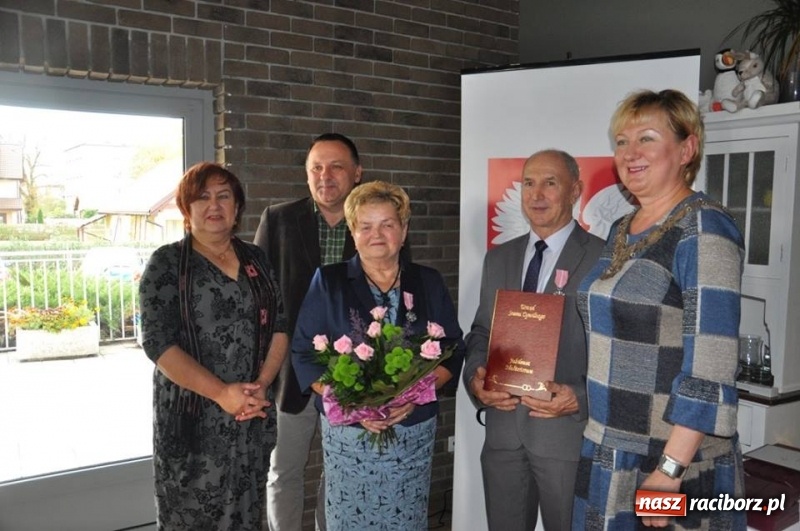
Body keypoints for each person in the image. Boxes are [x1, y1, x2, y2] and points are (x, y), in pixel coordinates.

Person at [572, 89, 746, 530]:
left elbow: (711, 367)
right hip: (608, 447)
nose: (630, 153)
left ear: (687, 149)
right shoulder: (620, 228)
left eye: (646, 138)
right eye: (621, 141)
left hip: (667, 461)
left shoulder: (704, 228)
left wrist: (670, 472)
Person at [291, 180, 465, 530]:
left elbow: (452, 348)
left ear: (403, 230)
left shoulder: (428, 281)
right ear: (353, 232)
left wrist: (417, 396)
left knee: (406, 518)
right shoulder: (328, 281)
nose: (377, 234)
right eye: (366, 226)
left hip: (411, 431)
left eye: (387, 224)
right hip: (351, 436)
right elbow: (304, 353)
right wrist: (353, 403)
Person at [139, 162, 288, 529]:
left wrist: (262, 384)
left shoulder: (257, 259)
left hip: (251, 412)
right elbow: (158, 344)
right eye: (202, 197)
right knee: (192, 515)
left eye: (224, 196)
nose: (214, 205)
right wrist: (222, 393)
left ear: (237, 208)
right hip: (193, 417)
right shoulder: (167, 263)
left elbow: (281, 325)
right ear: (186, 209)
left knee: (247, 509)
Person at [462, 149, 604, 531]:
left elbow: (621, 350)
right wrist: (476, 378)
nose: (536, 194)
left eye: (550, 182)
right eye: (528, 183)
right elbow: (480, 332)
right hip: (504, 435)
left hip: (566, 437)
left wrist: (582, 396)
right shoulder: (499, 259)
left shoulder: (604, 259)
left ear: (575, 190)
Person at [253, 132, 365, 530]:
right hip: (291, 374)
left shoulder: (376, 219)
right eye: (316, 167)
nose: (325, 176)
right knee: (284, 472)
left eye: (336, 166)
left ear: (356, 173)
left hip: (355, 375)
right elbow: (258, 296)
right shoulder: (279, 219)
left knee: (338, 473)